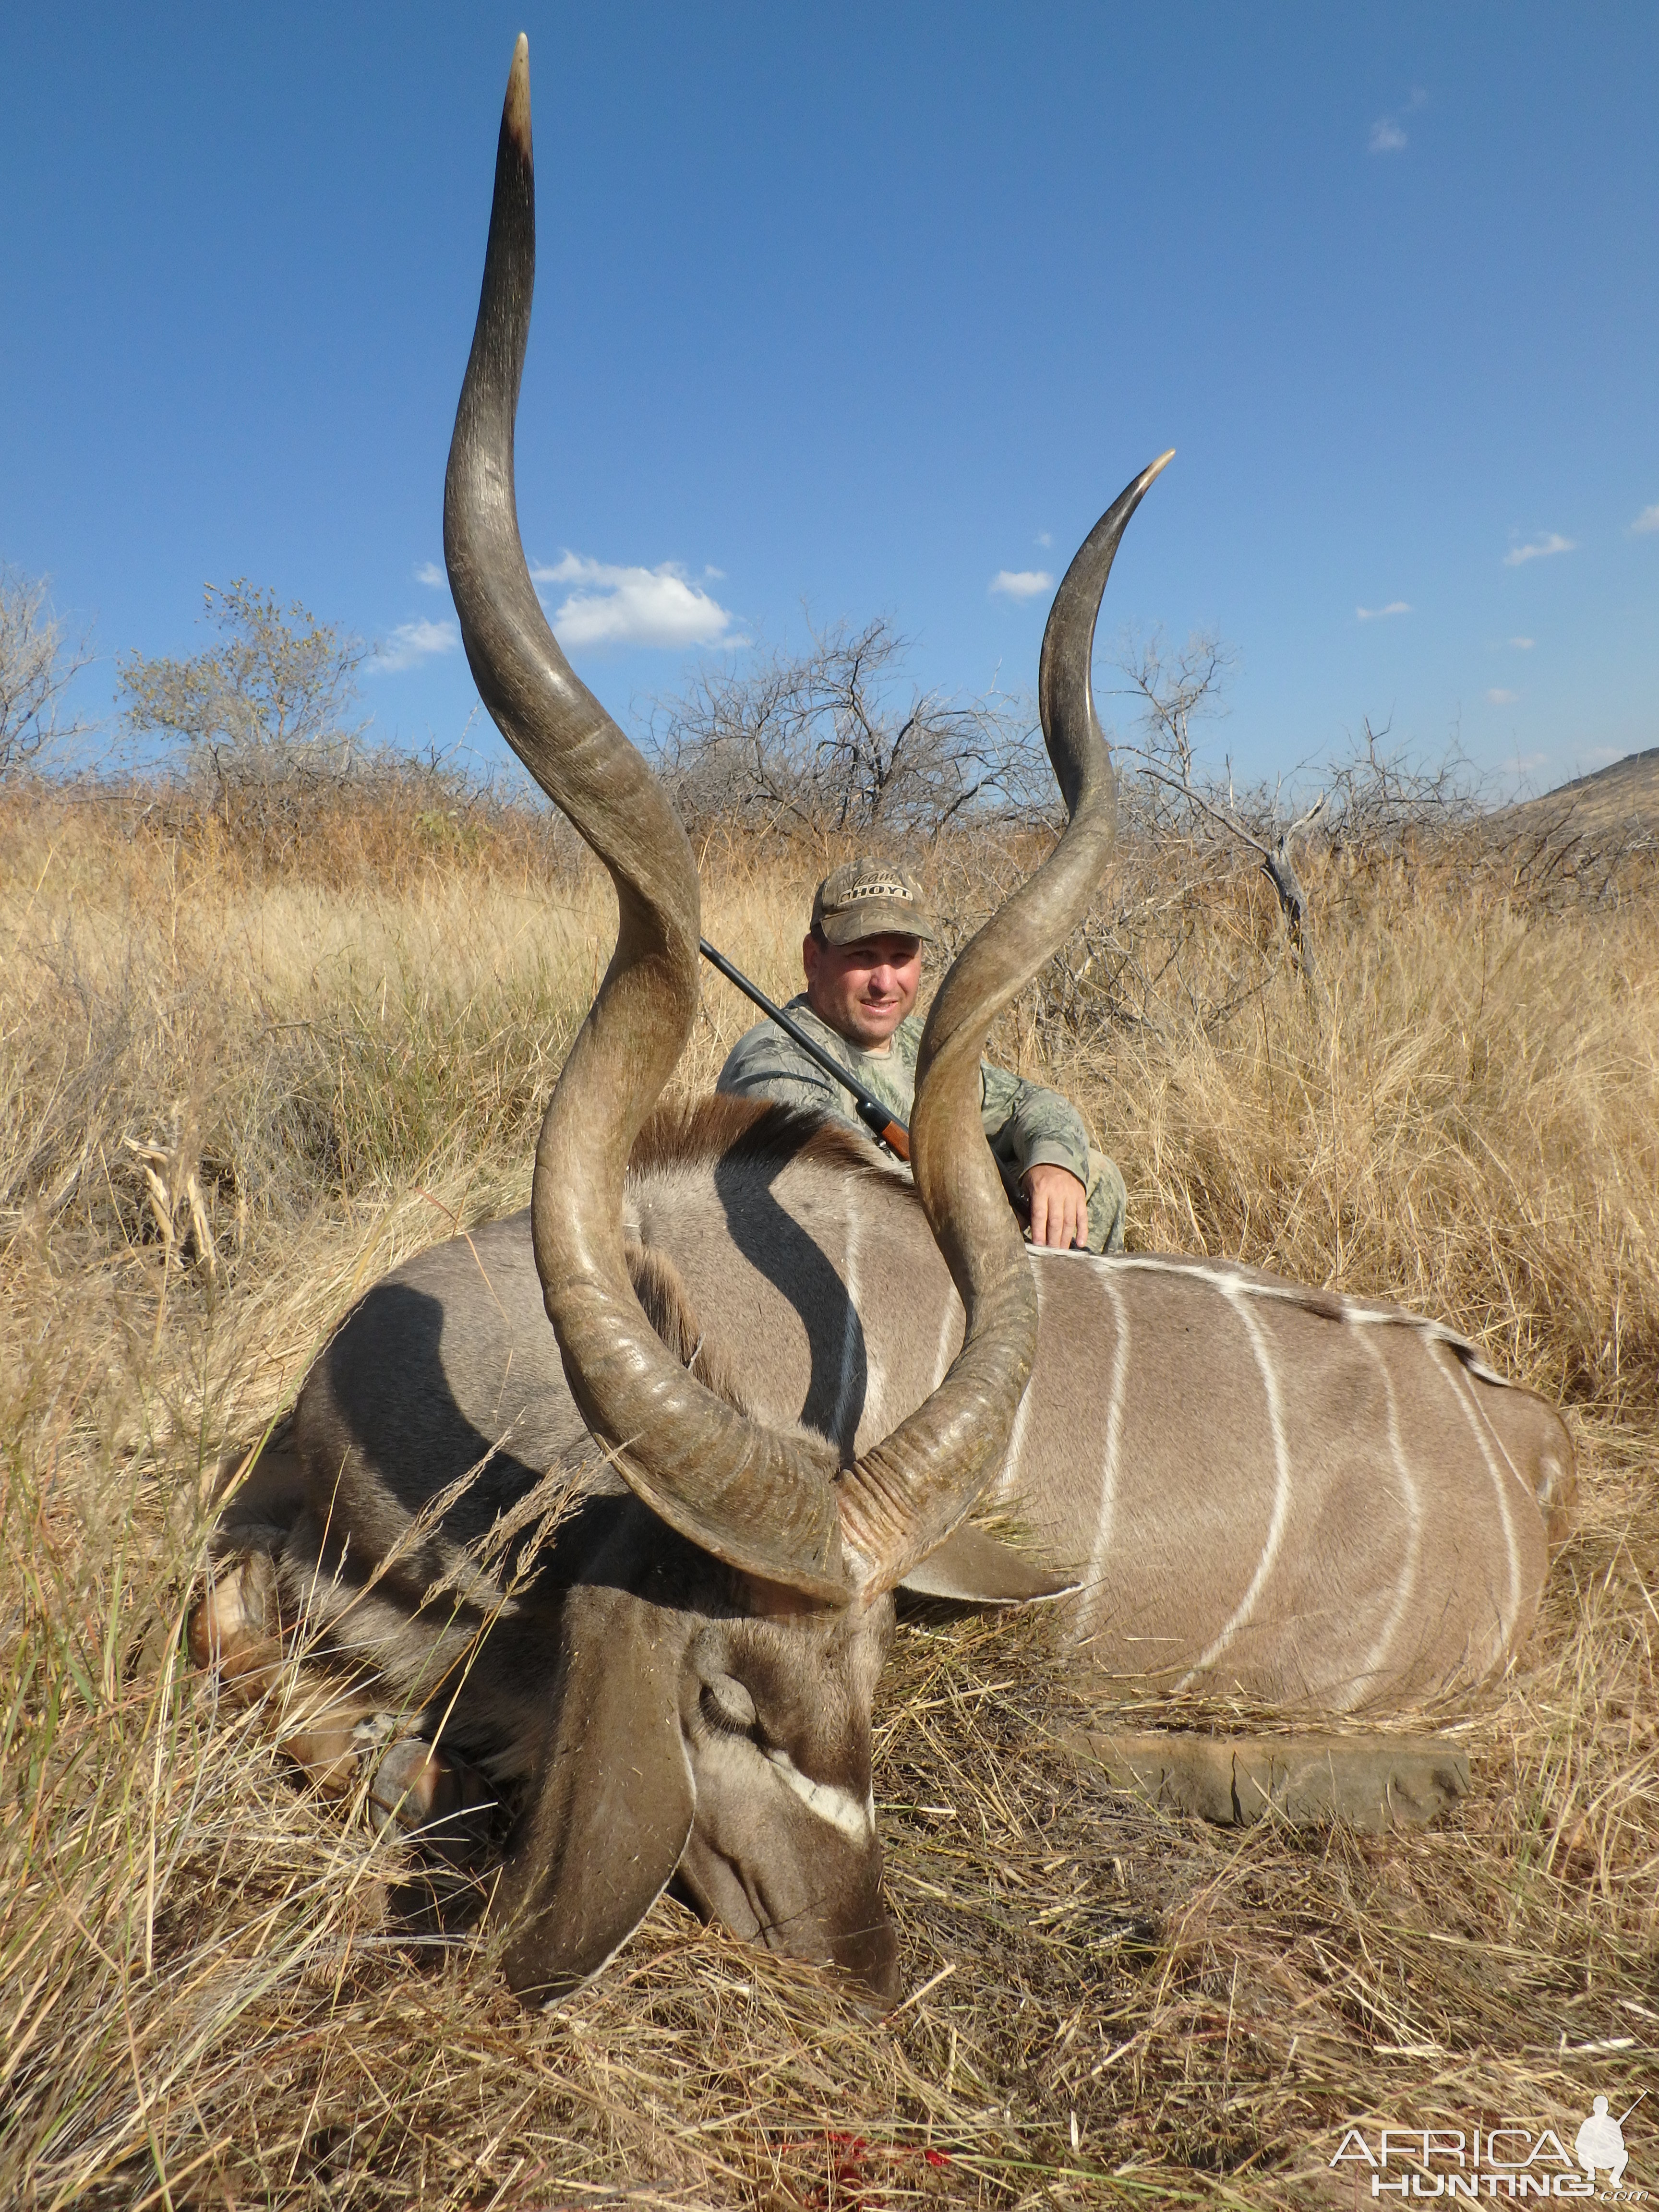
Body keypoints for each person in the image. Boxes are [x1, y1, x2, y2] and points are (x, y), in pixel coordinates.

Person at [716, 856, 1127, 1253]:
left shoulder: (916, 1040)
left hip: (928, 1243)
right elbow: (855, 1192)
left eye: (901, 957)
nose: (884, 982)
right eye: (863, 956)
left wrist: (1054, 1166)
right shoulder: (773, 1061)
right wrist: (987, 1210)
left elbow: (1030, 1104)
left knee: (1094, 1173)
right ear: (813, 959)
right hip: (853, 1263)